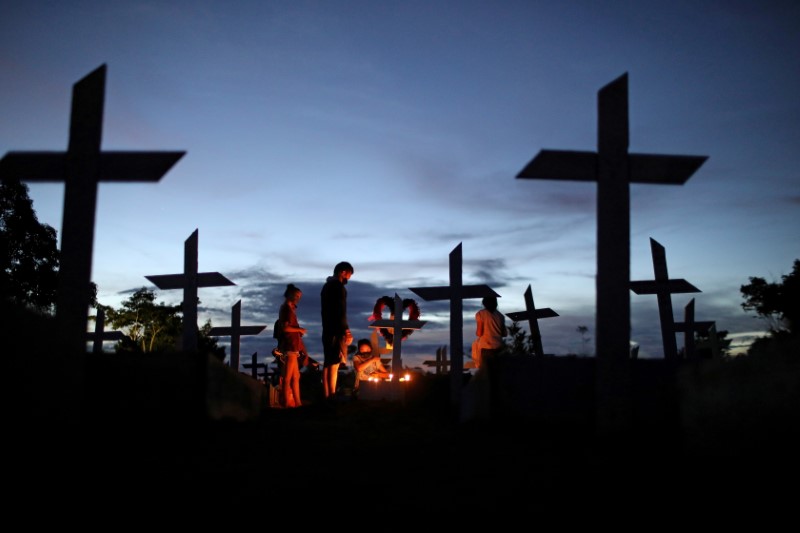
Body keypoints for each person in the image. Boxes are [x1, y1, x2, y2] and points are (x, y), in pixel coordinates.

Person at [320, 261, 354, 403]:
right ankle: (332, 395)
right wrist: (346, 330)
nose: (349, 279)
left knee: (328, 362)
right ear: (342, 272)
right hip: (335, 329)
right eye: (349, 275)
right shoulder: (337, 287)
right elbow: (340, 310)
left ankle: (328, 395)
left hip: (327, 328)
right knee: (334, 363)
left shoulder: (326, 287)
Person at [278, 283, 307, 408]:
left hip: (294, 347)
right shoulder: (285, 309)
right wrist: (299, 330)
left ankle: (298, 403)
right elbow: (285, 328)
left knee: (296, 376)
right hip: (289, 347)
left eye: (299, 296)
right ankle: (286, 402)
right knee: (288, 377)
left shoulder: (290, 310)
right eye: (296, 295)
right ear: (289, 295)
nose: (297, 298)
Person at [473, 295, 507, 369]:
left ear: (484, 303)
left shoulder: (480, 314)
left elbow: (479, 333)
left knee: (487, 372)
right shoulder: (500, 316)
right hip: (499, 347)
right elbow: (504, 333)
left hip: (486, 347)